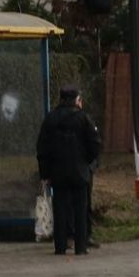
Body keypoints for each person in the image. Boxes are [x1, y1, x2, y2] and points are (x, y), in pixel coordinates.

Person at [36, 85, 101, 256]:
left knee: (60, 208)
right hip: (79, 171)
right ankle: (81, 246)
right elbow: (95, 143)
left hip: (58, 171)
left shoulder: (50, 119)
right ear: (76, 100)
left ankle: (60, 246)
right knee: (80, 207)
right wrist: (87, 161)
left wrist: (45, 173)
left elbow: (42, 148)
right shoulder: (83, 118)